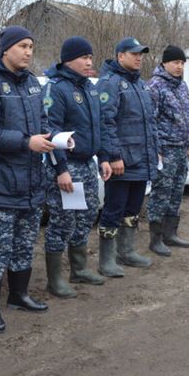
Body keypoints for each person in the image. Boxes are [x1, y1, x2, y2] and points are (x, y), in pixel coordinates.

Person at [0, 26, 55, 333]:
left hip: (31, 180)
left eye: (31, 46)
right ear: (6, 50)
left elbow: (43, 123)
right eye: (22, 46)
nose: (29, 52)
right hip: (2, 182)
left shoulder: (32, 82)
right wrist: (26, 142)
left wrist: (53, 139)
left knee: (25, 243)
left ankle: (19, 295)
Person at [42, 36, 110, 298]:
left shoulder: (89, 87)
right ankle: (55, 279)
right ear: (68, 59)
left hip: (87, 164)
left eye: (91, 57)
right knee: (62, 221)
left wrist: (103, 157)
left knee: (86, 217)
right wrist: (61, 170)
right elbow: (50, 131)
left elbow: (99, 126)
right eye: (84, 57)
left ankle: (79, 269)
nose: (89, 62)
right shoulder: (56, 88)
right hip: (67, 166)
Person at [97, 36, 159, 276]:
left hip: (141, 159)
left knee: (133, 209)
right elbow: (106, 122)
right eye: (134, 53)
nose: (138, 57)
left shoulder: (140, 84)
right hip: (121, 162)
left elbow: (148, 123)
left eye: (141, 54)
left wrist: (155, 152)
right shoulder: (110, 83)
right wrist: (113, 155)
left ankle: (127, 250)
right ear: (120, 56)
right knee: (113, 209)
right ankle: (106, 260)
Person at [146, 45, 189, 256]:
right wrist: (156, 149)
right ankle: (155, 239)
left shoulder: (182, 86)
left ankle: (170, 233)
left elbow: (186, 118)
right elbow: (151, 121)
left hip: (181, 148)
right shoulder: (155, 86)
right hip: (165, 149)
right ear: (164, 63)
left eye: (182, 63)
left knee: (177, 192)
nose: (179, 67)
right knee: (161, 194)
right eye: (175, 62)